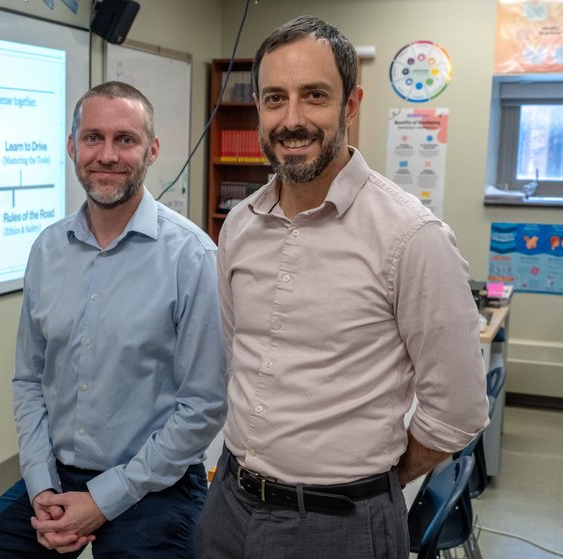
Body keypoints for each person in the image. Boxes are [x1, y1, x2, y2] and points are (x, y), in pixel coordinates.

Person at [195, 16, 490, 559]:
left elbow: (458, 410)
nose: (292, 119)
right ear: (258, 107)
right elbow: (238, 353)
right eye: (275, 98)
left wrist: (372, 483)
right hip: (228, 506)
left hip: (340, 525)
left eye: (315, 96)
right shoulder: (238, 226)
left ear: (350, 105)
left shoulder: (411, 238)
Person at [0, 81, 227, 558]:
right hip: (56, 474)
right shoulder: (47, 249)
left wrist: (103, 500)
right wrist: (40, 485)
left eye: (125, 139)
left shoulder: (193, 257)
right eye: (92, 138)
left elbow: (203, 406)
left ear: (152, 149)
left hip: (155, 481)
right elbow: (27, 379)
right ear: (71, 146)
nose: (107, 155)